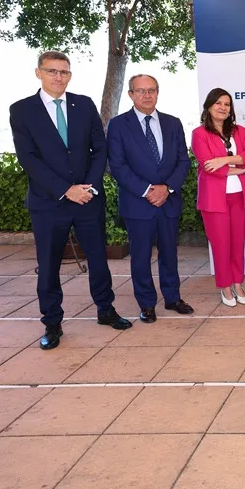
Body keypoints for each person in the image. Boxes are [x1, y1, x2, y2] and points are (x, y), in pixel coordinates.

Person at [10, 51, 131, 350]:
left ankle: (105, 309)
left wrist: (87, 187)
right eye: (52, 71)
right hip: (48, 202)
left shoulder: (84, 104)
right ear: (38, 73)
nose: (58, 76)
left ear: (70, 75)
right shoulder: (22, 110)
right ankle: (52, 322)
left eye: (64, 71)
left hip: (87, 199)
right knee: (48, 265)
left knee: (98, 258)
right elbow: (28, 158)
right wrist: (66, 189)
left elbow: (99, 149)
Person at [107, 74, 194, 323]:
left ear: (157, 92)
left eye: (151, 90)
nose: (147, 95)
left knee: (169, 253)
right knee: (141, 256)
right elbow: (117, 165)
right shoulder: (118, 125)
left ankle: (173, 297)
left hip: (168, 201)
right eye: (141, 91)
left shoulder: (172, 123)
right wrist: (147, 190)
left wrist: (167, 188)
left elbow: (183, 161)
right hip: (138, 203)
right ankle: (146, 303)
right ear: (131, 94)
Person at [191, 88, 245, 307]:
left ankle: (238, 283)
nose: (223, 107)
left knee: (237, 243)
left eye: (227, 104)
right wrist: (235, 166)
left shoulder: (240, 131)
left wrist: (223, 160)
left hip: (240, 196)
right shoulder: (199, 134)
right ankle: (225, 286)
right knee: (221, 245)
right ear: (209, 106)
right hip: (214, 200)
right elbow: (208, 166)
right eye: (218, 103)